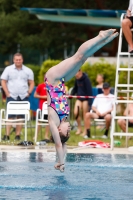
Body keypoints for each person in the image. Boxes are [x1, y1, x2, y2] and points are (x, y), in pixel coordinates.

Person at [45, 29, 118, 172]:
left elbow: (59, 145)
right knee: (83, 59)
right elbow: (64, 145)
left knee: (78, 57)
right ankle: (104, 41)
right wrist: (62, 162)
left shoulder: (53, 122)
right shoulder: (64, 119)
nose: (69, 129)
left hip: (52, 79)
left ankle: (100, 36)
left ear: (59, 130)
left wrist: (61, 163)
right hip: (61, 82)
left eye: (67, 132)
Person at [1, 53, 34, 141]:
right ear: (13, 60)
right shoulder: (8, 69)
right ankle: (7, 135)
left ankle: (17, 135)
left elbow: (31, 83)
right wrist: (7, 93)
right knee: (10, 116)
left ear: (22, 60)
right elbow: (3, 81)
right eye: (16, 59)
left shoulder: (28, 70)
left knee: (21, 116)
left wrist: (29, 92)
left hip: (23, 96)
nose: (18, 61)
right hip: (12, 96)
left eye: (19, 59)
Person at [71, 69, 92, 135]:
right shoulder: (77, 79)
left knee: (85, 114)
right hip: (79, 98)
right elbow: (75, 88)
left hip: (86, 99)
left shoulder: (86, 79)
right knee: (76, 112)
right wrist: (71, 95)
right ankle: (79, 128)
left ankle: (86, 130)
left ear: (80, 72)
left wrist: (89, 103)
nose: (75, 74)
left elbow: (89, 91)